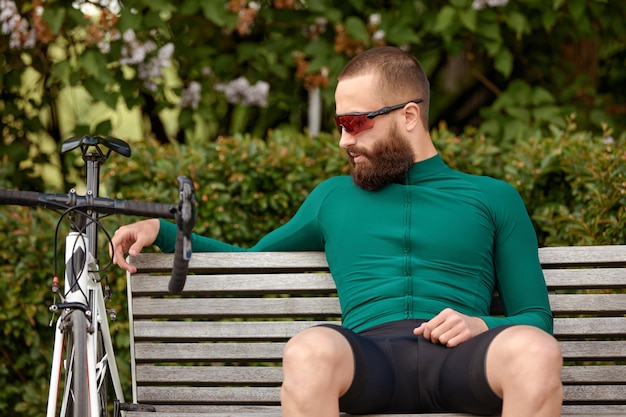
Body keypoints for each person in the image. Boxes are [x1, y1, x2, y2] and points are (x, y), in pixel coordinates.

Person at [111, 46, 563, 417]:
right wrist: (163, 230)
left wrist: (482, 322)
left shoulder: (493, 198)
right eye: (339, 124)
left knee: (535, 351)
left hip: (462, 359)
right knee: (309, 350)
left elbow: (535, 317)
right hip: (372, 360)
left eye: (356, 123)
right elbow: (251, 260)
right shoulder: (333, 198)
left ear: (408, 116)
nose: (344, 141)